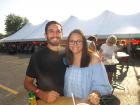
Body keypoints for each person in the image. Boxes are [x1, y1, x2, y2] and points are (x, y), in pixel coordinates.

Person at [64, 29, 112, 105]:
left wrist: (95, 94)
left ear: (84, 43)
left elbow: (103, 85)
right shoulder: (67, 58)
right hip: (68, 102)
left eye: (78, 41)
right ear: (68, 43)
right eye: (71, 41)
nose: (75, 44)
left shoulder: (93, 59)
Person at [24, 21, 67, 103]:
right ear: (45, 35)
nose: (55, 34)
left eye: (58, 31)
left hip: (66, 100)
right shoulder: (37, 57)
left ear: (62, 34)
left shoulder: (68, 53)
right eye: (51, 31)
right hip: (45, 101)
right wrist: (41, 94)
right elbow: (27, 83)